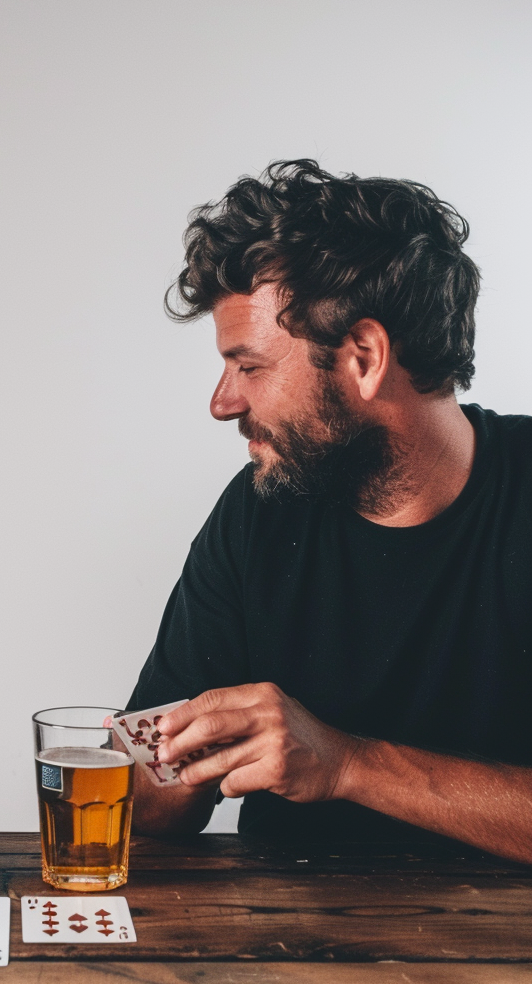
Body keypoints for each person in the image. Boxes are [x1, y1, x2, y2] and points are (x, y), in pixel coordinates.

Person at [128, 159, 532, 863]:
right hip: (291, 951)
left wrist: (346, 765)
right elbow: (146, 800)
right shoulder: (259, 511)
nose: (222, 403)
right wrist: (164, 767)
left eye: (249, 366)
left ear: (366, 357)